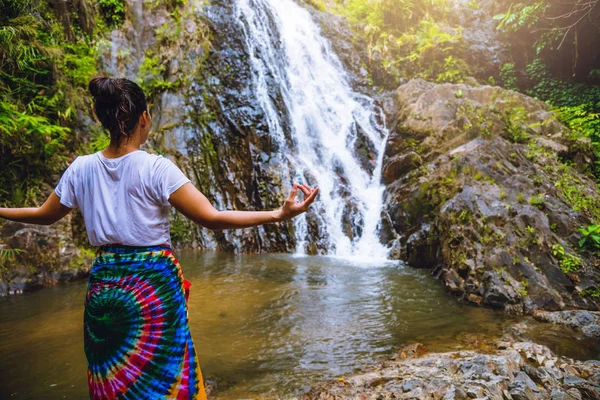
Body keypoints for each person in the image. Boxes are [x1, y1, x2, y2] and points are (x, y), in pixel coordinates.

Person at [0, 76, 319, 399]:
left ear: (104, 119)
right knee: (164, 376)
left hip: (105, 287)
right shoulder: (156, 169)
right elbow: (211, 219)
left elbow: (44, 214)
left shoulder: (81, 169)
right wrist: (278, 215)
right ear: (144, 118)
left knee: (112, 375)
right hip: (152, 289)